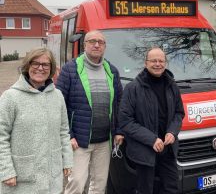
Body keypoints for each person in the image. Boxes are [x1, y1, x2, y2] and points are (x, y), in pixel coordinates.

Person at [56, 29, 124, 194]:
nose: (96, 45)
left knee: (99, 185)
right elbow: (59, 105)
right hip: (79, 141)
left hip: (104, 140)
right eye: (92, 41)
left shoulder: (112, 71)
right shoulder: (70, 70)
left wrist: (119, 131)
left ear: (105, 47)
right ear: (84, 45)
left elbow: (120, 104)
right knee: (76, 184)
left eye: (100, 42)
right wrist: (69, 135)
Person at [0, 47, 73, 194]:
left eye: (46, 64)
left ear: (51, 68)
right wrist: (6, 170)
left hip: (51, 176)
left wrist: (67, 160)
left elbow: (64, 131)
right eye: (35, 63)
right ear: (27, 66)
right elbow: (2, 136)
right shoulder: (10, 97)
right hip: (21, 178)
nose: (40, 68)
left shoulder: (57, 96)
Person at [118, 47, 185, 194]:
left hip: (167, 149)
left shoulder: (172, 85)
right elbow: (125, 121)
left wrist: (172, 132)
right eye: (153, 60)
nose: (157, 64)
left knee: (172, 188)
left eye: (161, 61)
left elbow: (179, 113)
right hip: (144, 151)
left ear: (165, 63)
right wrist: (152, 139)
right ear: (145, 63)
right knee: (146, 190)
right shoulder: (133, 88)